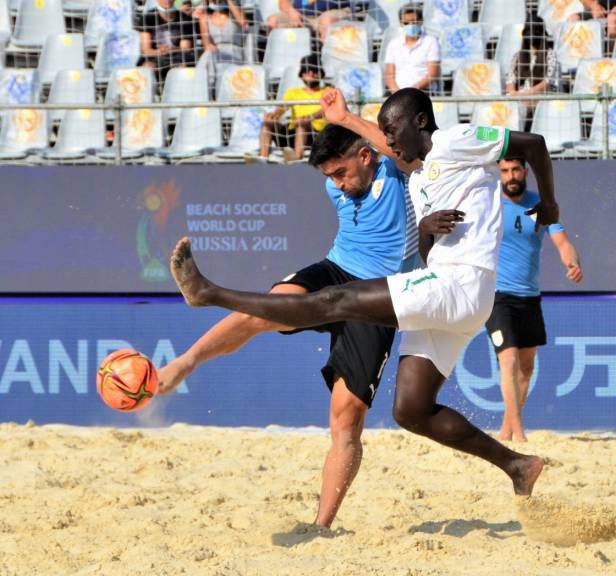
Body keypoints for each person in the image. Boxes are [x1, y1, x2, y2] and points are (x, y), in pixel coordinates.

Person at [168, 86, 555, 496]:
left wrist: (551, 205)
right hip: (448, 289)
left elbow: (533, 142)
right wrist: (425, 230)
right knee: (411, 410)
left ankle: (209, 293)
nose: (387, 138)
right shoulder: (421, 181)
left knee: (335, 302)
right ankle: (516, 465)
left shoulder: (451, 141)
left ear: (418, 122)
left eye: (391, 130)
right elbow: (425, 250)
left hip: (461, 282)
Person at [158, 123, 419, 528]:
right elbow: (350, 171)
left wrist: (347, 116)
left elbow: (403, 148)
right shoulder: (339, 185)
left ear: (366, 156)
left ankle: (321, 526)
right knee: (266, 310)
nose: (337, 184)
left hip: (379, 297)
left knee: (346, 417)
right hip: (336, 270)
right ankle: (184, 362)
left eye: (340, 173)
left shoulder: (398, 172)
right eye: (329, 176)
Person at [487, 157, 582, 442]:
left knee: (526, 366)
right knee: (509, 360)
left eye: (515, 170)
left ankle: (506, 430)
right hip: (497, 294)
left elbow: (562, 242)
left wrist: (572, 264)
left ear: (525, 172)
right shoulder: (488, 201)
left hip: (529, 296)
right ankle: (520, 433)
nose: (510, 176)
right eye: (504, 171)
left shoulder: (539, 204)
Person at [260, 54, 332, 160]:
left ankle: (297, 157)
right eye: (307, 71)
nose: (311, 73)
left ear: (321, 74)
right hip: (293, 133)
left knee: (302, 124)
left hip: (317, 135)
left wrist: (311, 117)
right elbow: (283, 107)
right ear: (301, 75)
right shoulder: (292, 92)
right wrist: (274, 115)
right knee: (268, 124)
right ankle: (263, 158)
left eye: (315, 70)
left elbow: (328, 109)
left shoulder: (328, 91)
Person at [505, 18, 560, 128]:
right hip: (520, 99)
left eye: (535, 31)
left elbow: (547, 82)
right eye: (529, 31)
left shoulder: (550, 55)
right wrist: (515, 94)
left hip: (541, 98)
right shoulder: (517, 57)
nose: (531, 35)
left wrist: (529, 93)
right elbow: (510, 81)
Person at [383, 4, 440, 94]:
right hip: (398, 94)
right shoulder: (393, 44)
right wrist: (397, 93)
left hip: (424, 93)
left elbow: (432, 74)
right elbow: (389, 75)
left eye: (414, 22)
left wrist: (412, 91)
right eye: (406, 23)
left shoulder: (431, 42)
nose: (410, 25)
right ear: (401, 23)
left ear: (421, 21)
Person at [137, 0, 198, 83]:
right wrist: (159, 51)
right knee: (147, 68)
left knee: (184, 69)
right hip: (154, 58)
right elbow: (146, 50)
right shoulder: (147, 17)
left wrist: (172, 49)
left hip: (178, 58)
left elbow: (186, 48)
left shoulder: (185, 18)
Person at [197, 0, 247, 94]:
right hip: (215, 52)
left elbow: (243, 23)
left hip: (233, 51)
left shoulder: (234, 13)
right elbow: (206, 42)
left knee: (210, 57)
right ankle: (207, 84)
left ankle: (202, 87)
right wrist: (210, 47)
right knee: (209, 54)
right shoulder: (204, 17)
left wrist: (230, 2)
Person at [264, 0, 352, 41]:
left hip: (333, 10)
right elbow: (283, 3)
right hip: (302, 14)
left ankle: (325, 60)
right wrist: (291, 11)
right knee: (272, 21)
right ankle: (284, 60)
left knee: (326, 21)